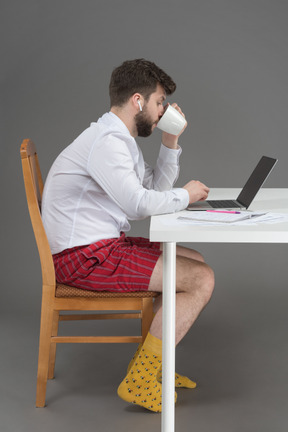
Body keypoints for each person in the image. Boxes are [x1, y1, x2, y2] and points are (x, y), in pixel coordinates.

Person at [42, 58, 215, 413]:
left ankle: (155, 365)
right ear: (139, 101)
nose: (162, 109)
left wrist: (169, 140)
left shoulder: (120, 138)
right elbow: (138, 204)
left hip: (99, 247)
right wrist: (187, 195)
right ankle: (140, 379)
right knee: (201, 279)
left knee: (194, 261)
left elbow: (153, 186)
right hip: (85, 258)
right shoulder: (108, 142)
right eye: (159, 102)